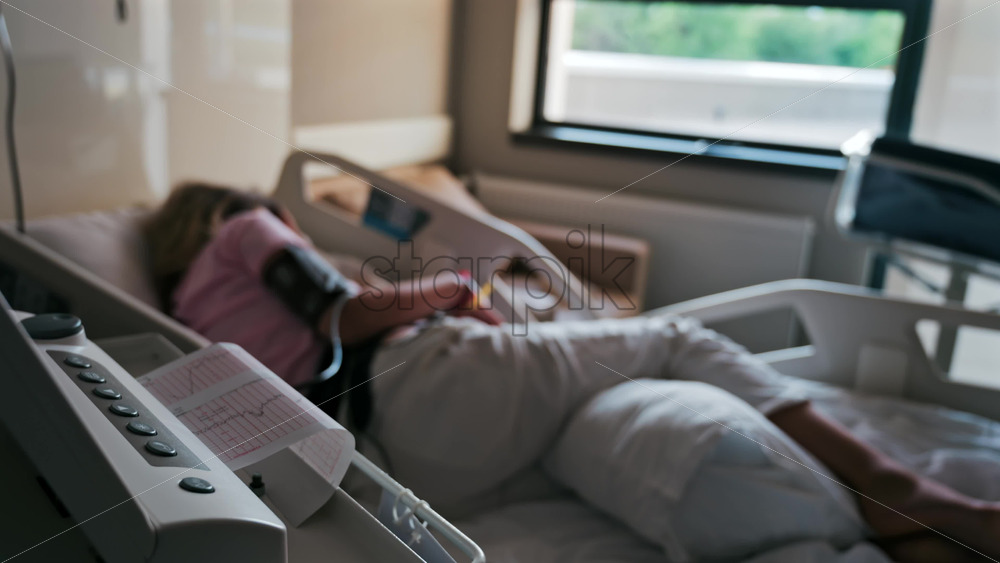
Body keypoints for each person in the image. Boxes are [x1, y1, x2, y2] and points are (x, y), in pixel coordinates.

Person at [144, 182, 999, 562]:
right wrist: (453, 286)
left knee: (580, 376)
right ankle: (909, 497)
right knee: (671, 338)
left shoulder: (182, 315)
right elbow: (343, 312)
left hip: (396, 461)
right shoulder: (247, 227)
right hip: (421, 384)